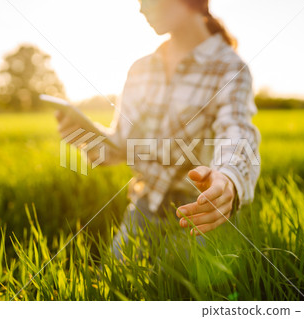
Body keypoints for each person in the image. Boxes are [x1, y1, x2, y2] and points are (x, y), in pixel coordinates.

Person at [55, 0, 261, 261]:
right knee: (116, 290)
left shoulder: (230, 68)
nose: (142, 8)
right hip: (143, 206)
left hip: (198, 211)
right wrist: (84, 135)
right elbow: (120, 146)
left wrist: (229, 178)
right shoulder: (140, 69)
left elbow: (238, 134)